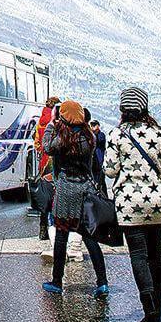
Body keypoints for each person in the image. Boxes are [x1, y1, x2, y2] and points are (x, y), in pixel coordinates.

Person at [105, 87, 161, 322]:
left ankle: (150, 313)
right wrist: (158, 179)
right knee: (155, 255)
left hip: (129, 204)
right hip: (157, 202)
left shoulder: (117, 135)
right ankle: (158, 309)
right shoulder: (158, 133)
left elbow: (109, 169)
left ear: (122, 109)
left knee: (138, 255)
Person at [41, 99, 109, 299]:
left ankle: (57, 281)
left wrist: (51, 125)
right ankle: (102, 282)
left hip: (65, 191)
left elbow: (47, 147)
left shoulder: (62, 138)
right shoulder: (89, 137)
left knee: (61, 237)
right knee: (90, 238)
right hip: (85, 189)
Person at [27, 96, 60, 241]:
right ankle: (55, 228)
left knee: (45, 195)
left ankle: (42, 229)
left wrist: (41, 152)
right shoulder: (57, 121)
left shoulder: (41, 121)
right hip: (55, 162)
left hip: (44, 162)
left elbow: (37, 143)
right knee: (55, 196)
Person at [89, 115, 107, 194]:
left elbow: (100, 140)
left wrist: (95, 132)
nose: (93, 127)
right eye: (92, 125)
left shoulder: (101, 135)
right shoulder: (90, 135)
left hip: (100, 163)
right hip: (92, 163)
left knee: (101, 182)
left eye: (94, 125)